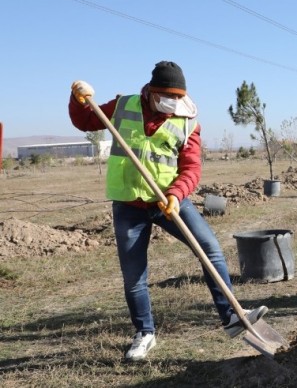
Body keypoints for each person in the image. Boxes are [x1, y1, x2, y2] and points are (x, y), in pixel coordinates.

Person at [69, 61, 268, 362]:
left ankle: (231, 317)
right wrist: (78, 97)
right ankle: (144, 333)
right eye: (166, 96)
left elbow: (191, 168)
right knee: (134, 275)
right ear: (151, 92)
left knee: (210, 249)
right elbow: (86, 120)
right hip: (129, 205)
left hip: (169, 201)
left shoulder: (186, 120)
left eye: (177, 98)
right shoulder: (124, 106)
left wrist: (176, 194)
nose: (171, 104)